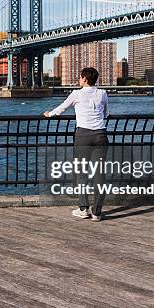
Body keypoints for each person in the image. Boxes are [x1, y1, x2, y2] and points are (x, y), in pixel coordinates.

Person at [44, 67, 109, 222]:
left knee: (81, 172)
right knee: (100, 174)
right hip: (101, 135)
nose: (78, 80)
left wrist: (49, 114)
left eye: (80, 77)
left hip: (83, 136)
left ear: (85, 79)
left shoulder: (76, 94)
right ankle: (97, 213)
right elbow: (106, 113)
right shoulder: (102, 93)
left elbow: (61, 108)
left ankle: (83, 208)